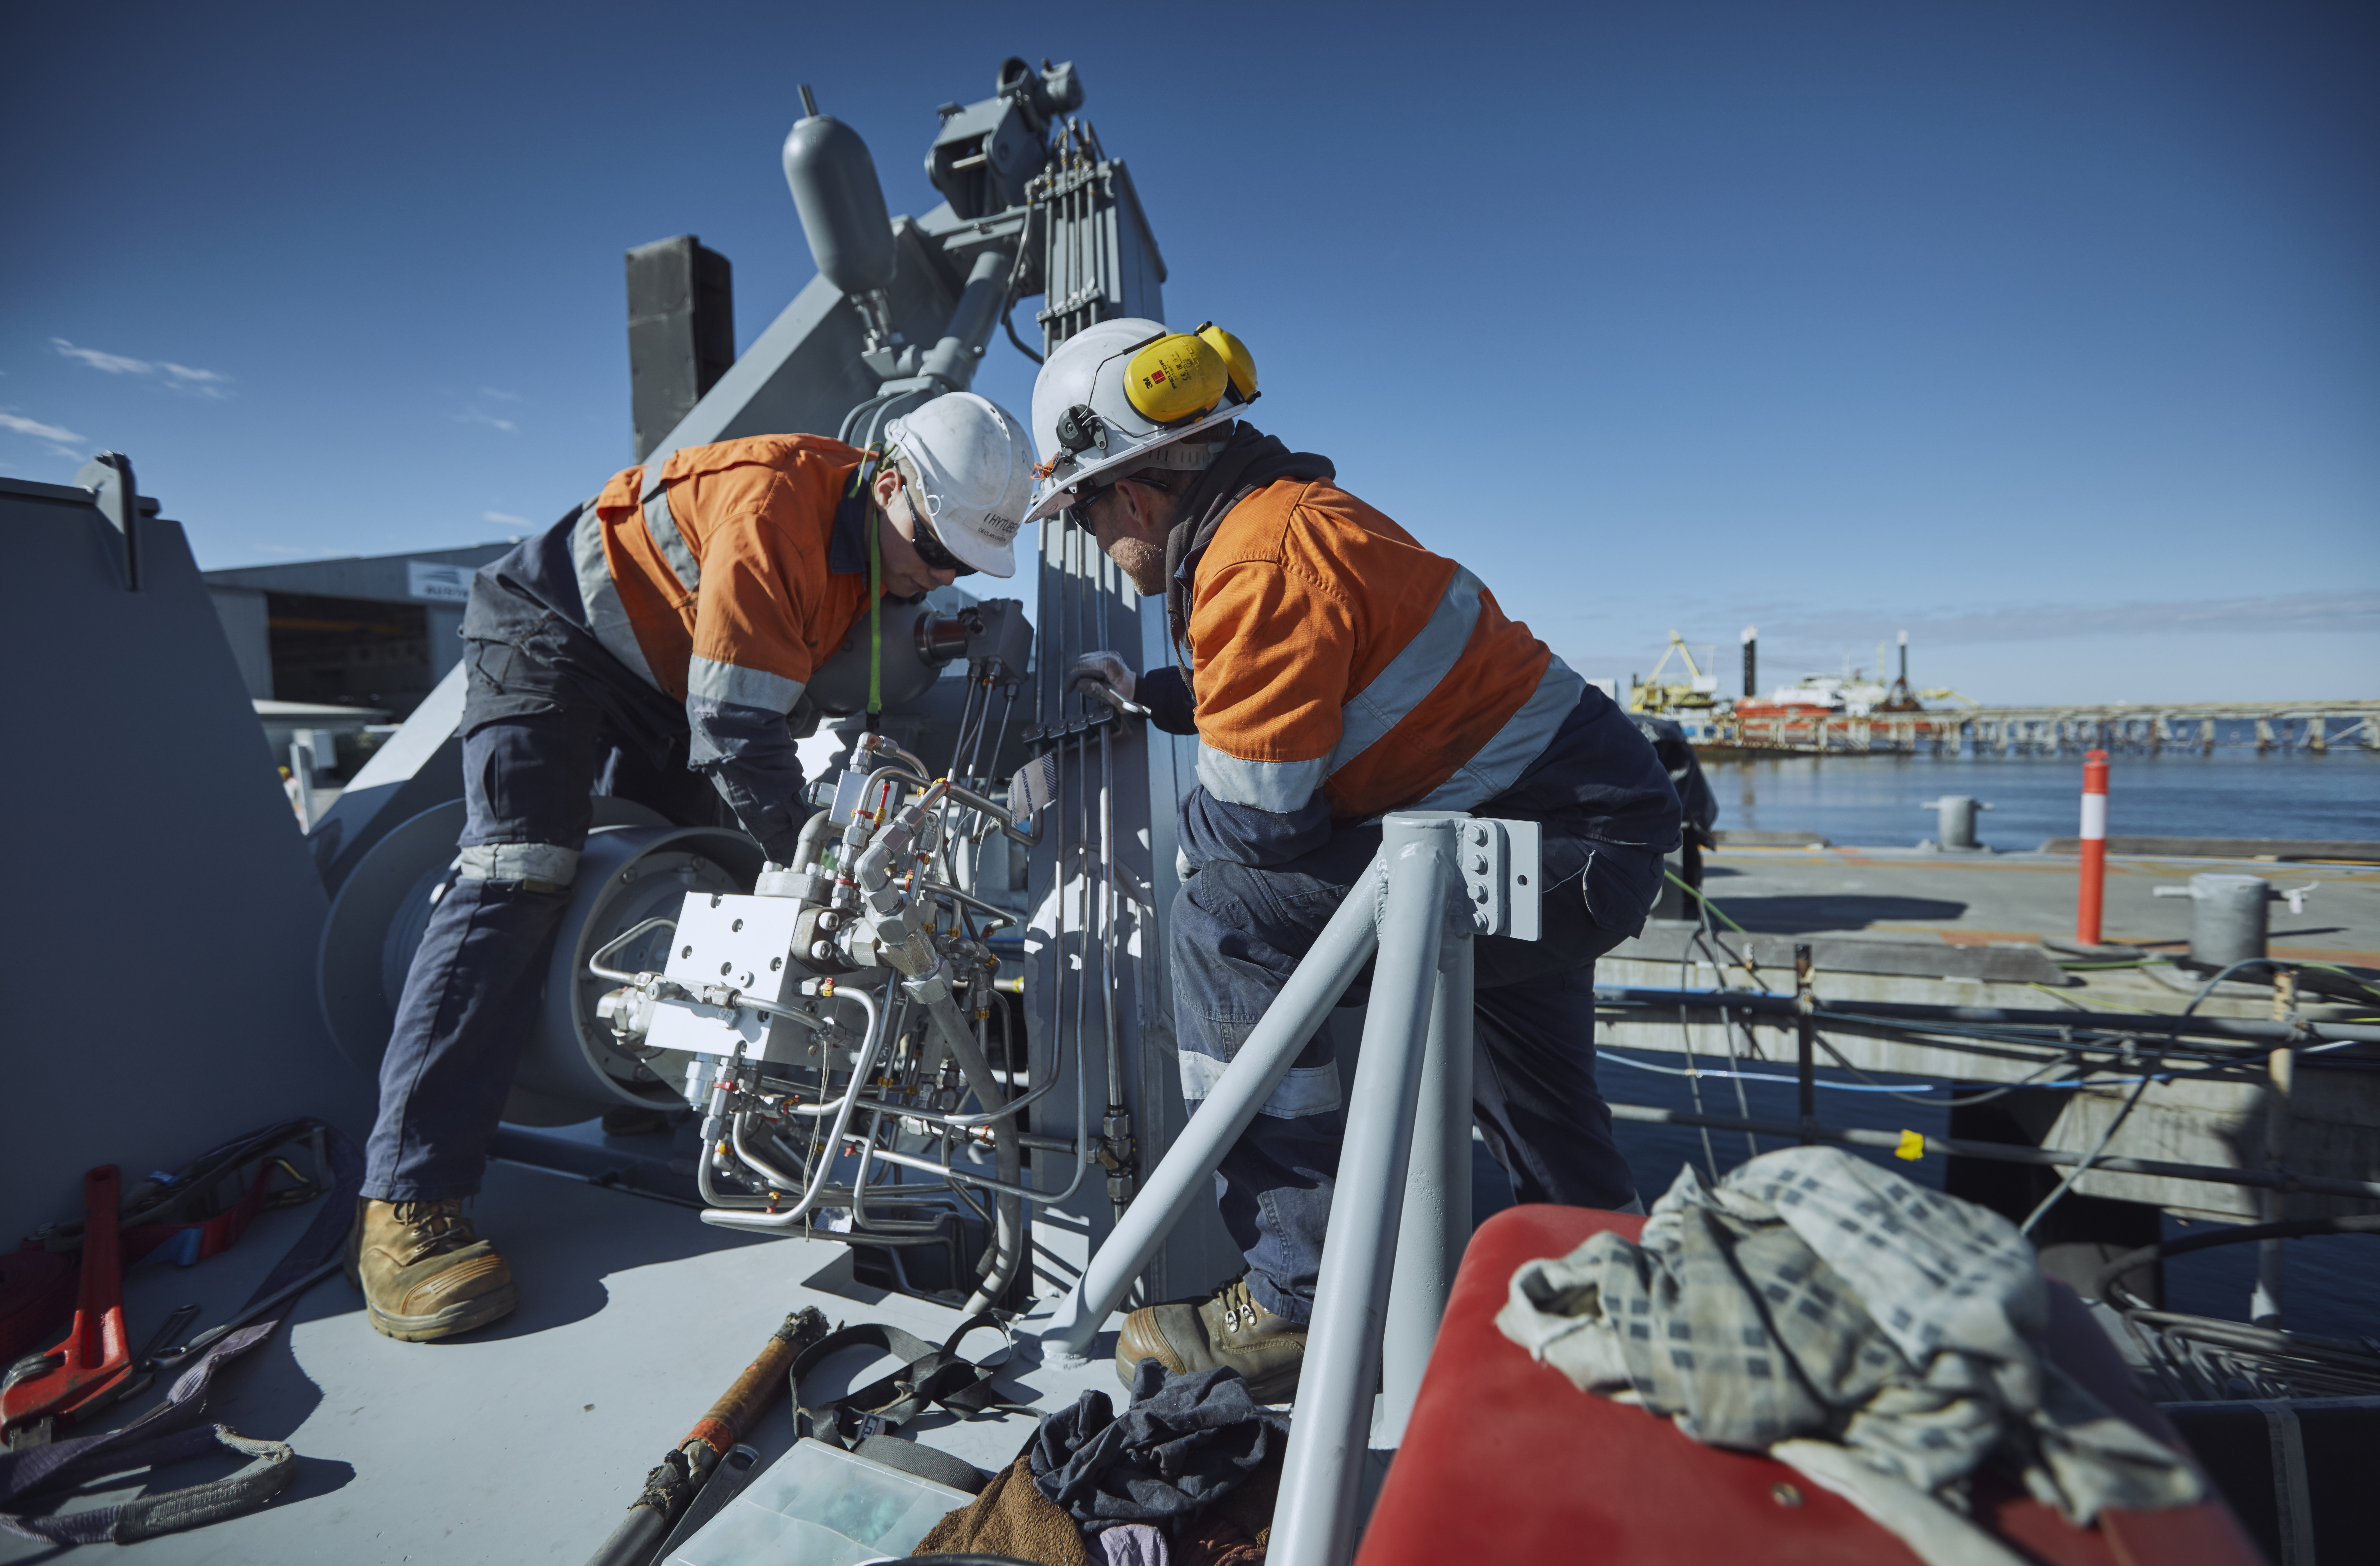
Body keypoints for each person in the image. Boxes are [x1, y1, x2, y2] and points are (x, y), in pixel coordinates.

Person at [1024, 321, 1681, 1400]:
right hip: (1556, 828)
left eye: (1086, 516)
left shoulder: (1253, 563)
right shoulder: (1287, 523)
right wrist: (1153, 696)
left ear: (1131, 497)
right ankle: (1623, 1318)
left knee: (1220, 917)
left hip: (1530, 845)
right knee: (1546, 1111)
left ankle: (1298, 1288)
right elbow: (1320, 680)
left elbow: (1263, 831)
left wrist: (1188, 838)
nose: (1098, 544)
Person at [350, 392, 1036, 1342]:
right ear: (888, 486)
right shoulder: (775, 513)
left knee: (688, 887)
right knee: (520, 872)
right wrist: (822, 863)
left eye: (965, 562)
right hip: (553, 636)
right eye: (935, 548)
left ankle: (653, 1093)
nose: (941, 574)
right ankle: (406, 1202)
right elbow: (736, 727)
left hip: (667, 676)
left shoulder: (885, 546)